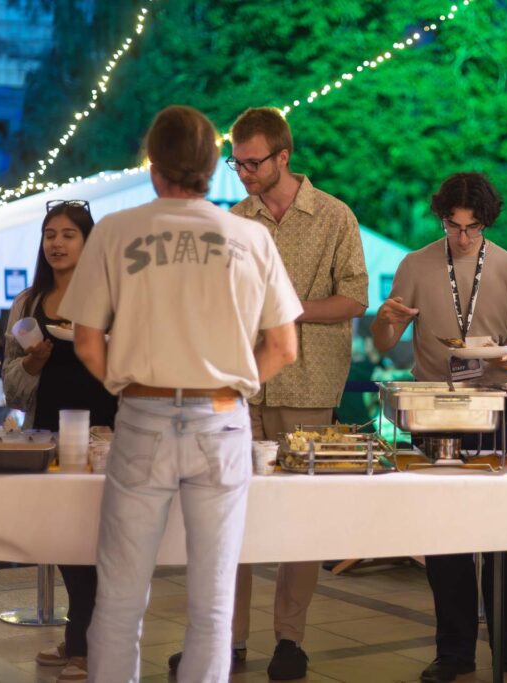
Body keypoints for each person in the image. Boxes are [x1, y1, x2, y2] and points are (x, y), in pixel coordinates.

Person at [59, 105, 301, 683]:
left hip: (142, 416)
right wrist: (232, 384)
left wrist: (132, 383)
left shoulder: (116, 230)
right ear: (214, 166)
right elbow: (284, 347)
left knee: (120, 598)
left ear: (153, 165)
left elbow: (86, 342)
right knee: (213, 604)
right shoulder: (250, 236)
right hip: (221, 420)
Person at [165, 106, 368, 681]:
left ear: (284, 156)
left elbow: (355, 298)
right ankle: (226, 639)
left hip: (310, 383)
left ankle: (290, 639)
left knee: (299, 516)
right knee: (227, 512)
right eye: (237, 163)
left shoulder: (334, 216)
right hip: (240, 383)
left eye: (253, 163)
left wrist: (286, 309)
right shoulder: (232, 219)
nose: (244, 173)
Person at [372, 173, 507, 683]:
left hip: (497, 407)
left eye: (472, 228)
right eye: (452, 226)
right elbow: (383, 341)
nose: (461, 237)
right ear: (441, 219)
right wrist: (386, 318)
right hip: (435, 408)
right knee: (446, 538)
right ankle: (454, 652)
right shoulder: (415, 264)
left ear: (487, 223)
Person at [3, 199, 118, 682]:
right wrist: (32, 363)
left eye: (69, 234)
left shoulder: (111, 297)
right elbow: (11, 384)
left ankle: (87, 645)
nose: (57, 243)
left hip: (104, 432)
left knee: (94, 539)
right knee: (66, 536)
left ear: (88, 243)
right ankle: (81, 637)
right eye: (50, 234)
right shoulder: (28, 304)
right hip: (47, 431)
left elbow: (131, 366)